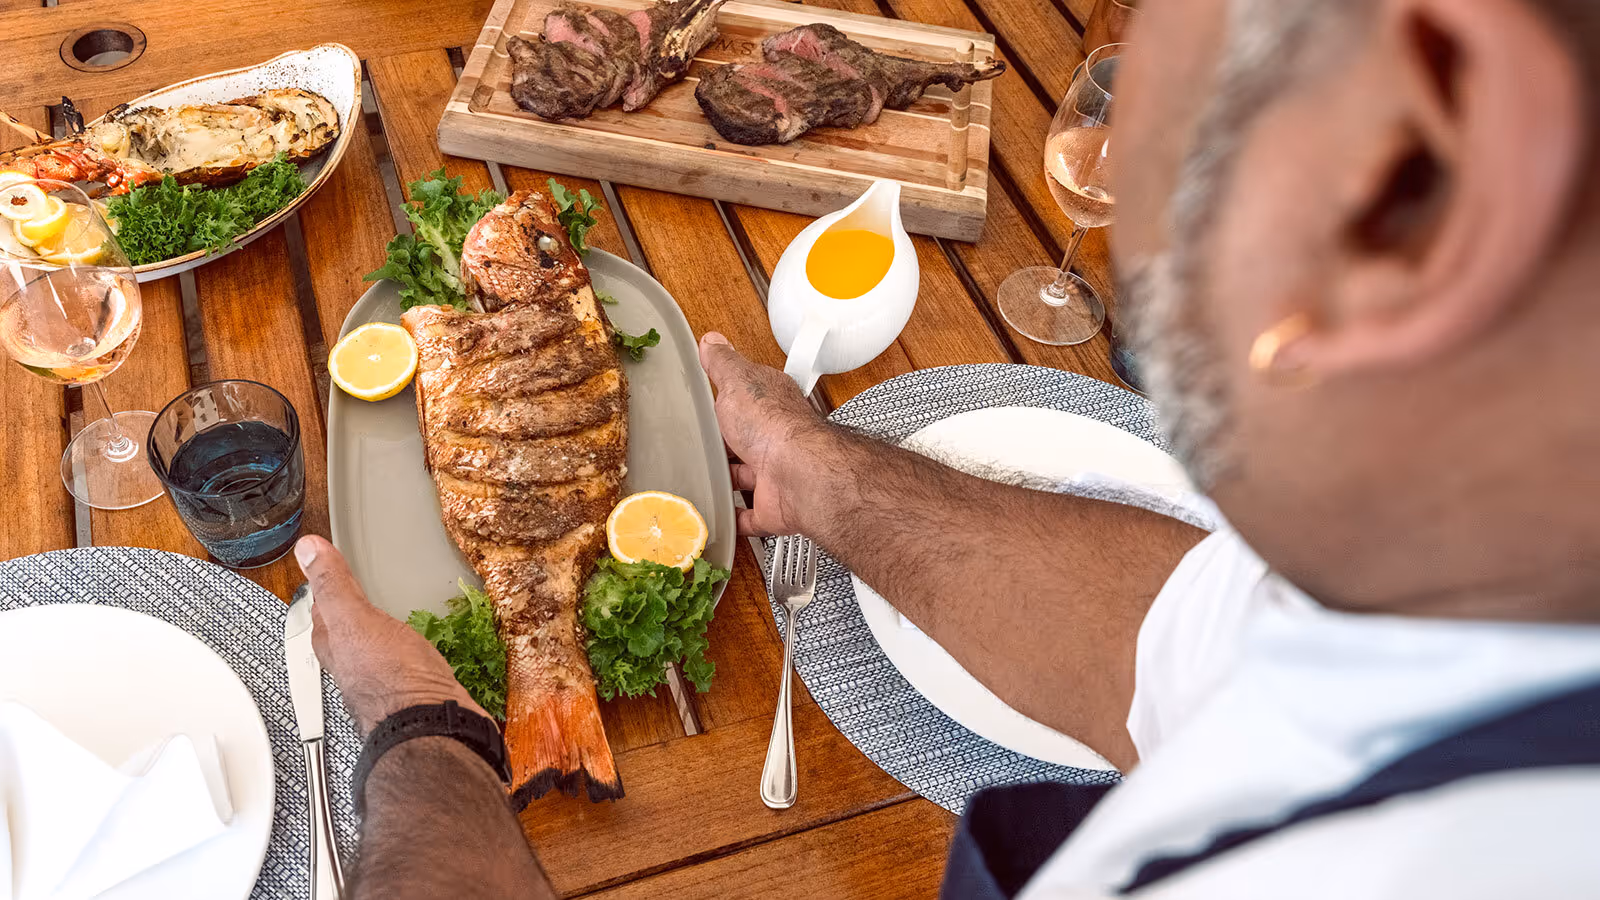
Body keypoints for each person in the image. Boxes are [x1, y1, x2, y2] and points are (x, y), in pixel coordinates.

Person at [302, 0, 1600, 895]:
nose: (1116, 106)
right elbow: (1178, 648)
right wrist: (829, 475)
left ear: (1412, 155)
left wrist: (420, 738)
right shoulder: (1472, 581)